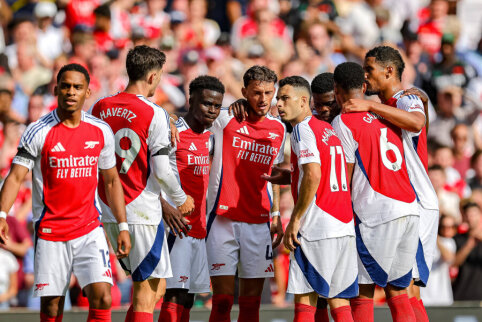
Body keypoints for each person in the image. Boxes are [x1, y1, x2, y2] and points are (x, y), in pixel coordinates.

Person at [0, 63, 131, 322]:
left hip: (89, 228)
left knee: (103, 296)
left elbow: (112, 181)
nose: (71, 92)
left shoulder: (101, 130)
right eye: (66, 86)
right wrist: (2, 214)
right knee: (52, 306)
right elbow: (15, 177)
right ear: (57, 89)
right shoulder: (38, 131)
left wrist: (123, 225)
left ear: (87, 92)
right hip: (51, 232)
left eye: (77, 87)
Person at [90, 45, 194, 322]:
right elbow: (161, 169)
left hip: (110, 208)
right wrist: (181, 198)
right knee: (146, 294)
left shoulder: (99, 107)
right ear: (152, 77)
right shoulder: (153, 112)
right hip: (140, 209)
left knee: (155, 286)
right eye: (160, 76)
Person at [343, 46, 439, 321]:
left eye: (369, 69)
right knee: (402, 289)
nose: (364, 75)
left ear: (389, 71)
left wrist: (372, 104)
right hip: (404, 200)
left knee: (405, 290)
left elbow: (416, 123)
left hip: (415, 200)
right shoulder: (392, 104)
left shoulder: (404, 98)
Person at [332, 62, 419, 322]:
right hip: (408, 208)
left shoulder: (343, 121)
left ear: (337, 90)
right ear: (364, 86)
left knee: (362, 291)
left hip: (375, 212)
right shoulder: (388, 114)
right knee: (398, 291)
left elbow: (343, 178)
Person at [274, 75, 357, 321]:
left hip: (318, 226)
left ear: (303, 101)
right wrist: (292, 176)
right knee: (339, 302)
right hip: (343, 225)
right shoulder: (329, 130)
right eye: (278, 98)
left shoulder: (302, 129)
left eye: (284, 98)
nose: (278, 104)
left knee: (305, 301)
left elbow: (313, 173)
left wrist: (296, 219)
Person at [206, 65, 286, 322]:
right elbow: (189, 119)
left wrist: (275, 213)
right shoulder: (225, 119)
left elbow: (274, 171)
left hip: (259, 222)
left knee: (252, 306)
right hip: (221, 220)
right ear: (244, 92)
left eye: (269, 93)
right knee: (221, 303)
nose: (263, 99)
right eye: (256, 93)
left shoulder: (279, 129)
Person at [159, 75, 225, 322]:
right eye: (206, 103)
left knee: (187, 296)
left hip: (199, 227)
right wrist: (164, 206)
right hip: (176, 226)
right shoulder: (173, 132)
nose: (212, 110)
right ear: (190, 100)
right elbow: (151, 172)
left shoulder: (211, 136)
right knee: (173, 294)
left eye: (217, 106)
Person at [452, 202, 482, 301]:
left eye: (473, 214)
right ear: (464, 217)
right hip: (461, 293)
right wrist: (469, 244)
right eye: (468, 215)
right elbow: (454, 263)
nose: (470, 218)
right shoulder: (458, 239)